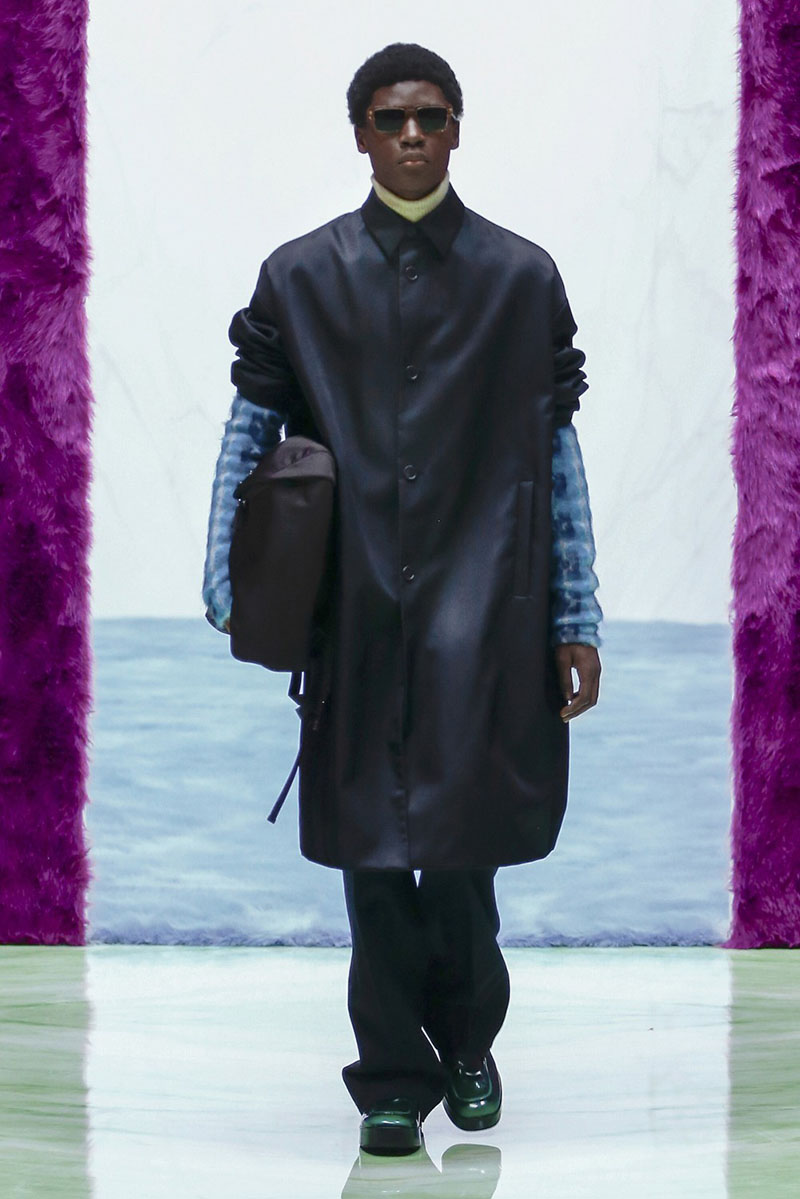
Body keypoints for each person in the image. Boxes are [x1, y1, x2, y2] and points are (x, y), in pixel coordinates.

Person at [203, 42, 602, 1157]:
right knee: (371, 852)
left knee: (466, 844)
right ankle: (389, 1076)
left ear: (458, 127)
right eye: (390, 118)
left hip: (490, 605)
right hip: (354, 601)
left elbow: (556, 454)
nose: (412, 134)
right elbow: (250, 432)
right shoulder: (299, 276)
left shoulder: (521, 278)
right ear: (361, 136)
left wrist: (575, 612)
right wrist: (227, 573)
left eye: (430, 115)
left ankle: (468, 1046)